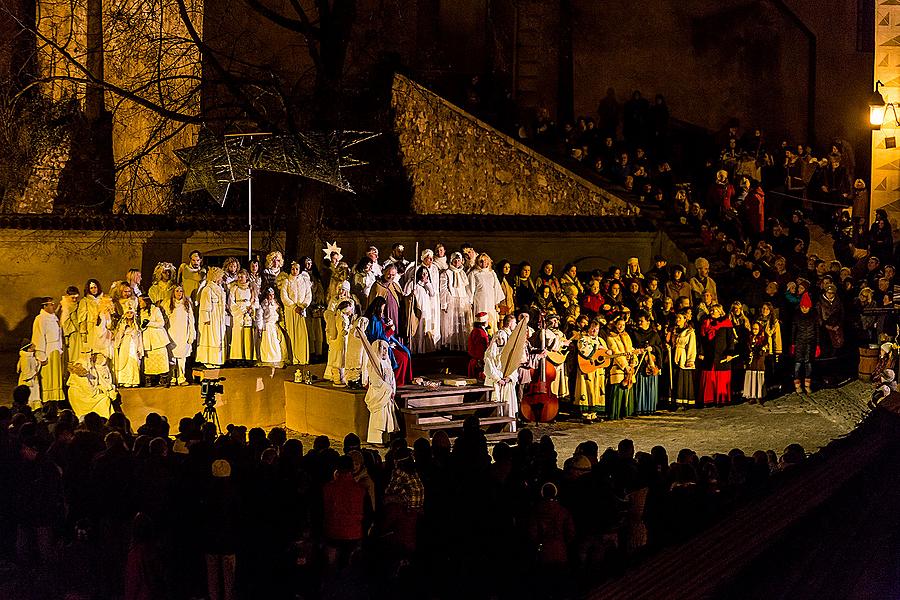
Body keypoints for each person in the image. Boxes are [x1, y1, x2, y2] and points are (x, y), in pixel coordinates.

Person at [365, 297, 413, 386]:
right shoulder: (373, 320)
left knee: (406, 353)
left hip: (387, 343)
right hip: (380, 347)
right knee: (401, 359)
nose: (383, 311)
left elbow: (382, 331)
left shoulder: (379, 318)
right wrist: (391, 330)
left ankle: (403, 380)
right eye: (382, 309)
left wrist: (388, 326)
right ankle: (396, 381)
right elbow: (378, 338)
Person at [483, 320, 519, 432]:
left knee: (509, 407)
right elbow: (489, 367)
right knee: (497, 408)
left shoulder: (508, 353)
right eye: (500, 339)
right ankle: (496, 430)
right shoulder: (491, 353)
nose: (502, 341)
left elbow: (513, 366)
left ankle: (509, 431)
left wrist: (510, 377)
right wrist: (498, 379)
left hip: (507, 383)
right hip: (496, 383)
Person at [699, 304, 734, 406]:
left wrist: (730, 353)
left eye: (715, 310)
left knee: (721, 377)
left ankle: (721, 399)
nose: (713, 312)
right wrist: (701, 352)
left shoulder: (726, 323)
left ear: (720, 312)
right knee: (709, 376)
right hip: (709, 354)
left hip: (722, 354)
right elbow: (702, 340)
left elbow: (730, 339)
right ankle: (708, 399)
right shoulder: (706, 323)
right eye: (711, 310)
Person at [32, 297, 65, 404]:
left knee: (56, 377)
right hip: (47, 350)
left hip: (56, 350)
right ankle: (48, 401)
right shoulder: (40, 319)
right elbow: (38, 336)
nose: (53, 306)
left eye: (53, 304)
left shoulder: (54, 317)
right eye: (50, 304)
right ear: (44, 306)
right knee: (48, 377)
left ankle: (56, 400)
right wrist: (41, 355)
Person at [364, 339, 398, 445]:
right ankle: (375, 439)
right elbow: (375, 380)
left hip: (388, 394)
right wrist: (387, 389)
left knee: (388, 417)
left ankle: (386, 438)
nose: (385, 351)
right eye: (382, 348)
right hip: (379, 393)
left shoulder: (387, 362)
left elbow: (392, 377)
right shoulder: (373, 364)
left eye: (386, 349)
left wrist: (393, 389)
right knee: (379, 416)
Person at [575, 319, 607, 421]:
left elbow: (604, 353)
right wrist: (597, 348)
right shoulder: (583, 339)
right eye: (593, 329)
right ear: (589, 329)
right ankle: (586, 415)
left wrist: (609, 352)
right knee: (587, 389)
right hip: (587, 368)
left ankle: (594, 413)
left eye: (597, 329)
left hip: (598, 369)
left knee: (597, 390)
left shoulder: (601, 340)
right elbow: (584, 350)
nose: (594, 331)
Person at [280, 261, 311, 366]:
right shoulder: (287, 281)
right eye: (293, 269)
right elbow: (284, 296)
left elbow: (308, 295)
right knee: (291, 333)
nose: (294, 271)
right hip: (291, 310)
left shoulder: (305, 281)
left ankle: (302, 358)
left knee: (301, 334)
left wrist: (303, 306)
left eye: (296, 269)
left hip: (301, 310)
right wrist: (294, 306)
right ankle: (293, 357)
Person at [606, 314, 637, 419]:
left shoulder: (626, 336)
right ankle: (615, 413)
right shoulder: (611, 337)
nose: (621, 327)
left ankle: (626, 412)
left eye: (623, 325)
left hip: (629, 365)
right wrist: (625, 366)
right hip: (618, 366)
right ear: (615, 325)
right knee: (618, 389)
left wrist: (634, 360)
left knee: (627, 388)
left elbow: (630, 349)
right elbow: (616, 352)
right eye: (619, 324)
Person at [632, 311, 662, 415]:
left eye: (642, 321)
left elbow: (660, 348)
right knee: (640, 388)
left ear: (648, 322)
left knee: (650, 387)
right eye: (639, 321)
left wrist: (653, 348)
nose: (639, 323)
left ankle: (650, 408)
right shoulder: (634, 333)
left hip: (651, 365)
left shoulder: (654, 335)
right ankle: (640, 408)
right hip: (640, 365)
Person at [442, 252, 473, 351]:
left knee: (462, 325)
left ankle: (462, 343)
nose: (456, 262)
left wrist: (468, 300)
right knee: (451, 324)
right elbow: (443, 289)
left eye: (458, 260)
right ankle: (452, 344)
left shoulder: (462, 273)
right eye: (455, 260)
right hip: (452, 301)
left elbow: (466, 288)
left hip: (463, 301)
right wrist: (447, 301)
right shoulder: (446, 273)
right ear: (451, 261)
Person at [196, 267, 227, 368]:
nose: (221, 279)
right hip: (212, 318)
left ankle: (217, 359)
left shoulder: (220, 289)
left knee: (218, 338)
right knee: (210, 338)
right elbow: (204, 306)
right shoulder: (207, 289)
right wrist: (206, 319)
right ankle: (208, 359)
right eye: (220, 277)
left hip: (219, 317)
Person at [138, 296, 171, 387]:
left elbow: (161, 323)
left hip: (157, 338)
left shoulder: (155, 310)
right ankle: (149, 379)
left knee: (161, 357)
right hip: (147, 338)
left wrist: (149, 323)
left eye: (141, 301)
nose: (139, 303)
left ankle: (163, 379)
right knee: (149, 360)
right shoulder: (139, 312)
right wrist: (143, 326)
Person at [166, 285, 195, 385]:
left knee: (182, 357)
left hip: (183, 334)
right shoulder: (168, 304)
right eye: (177, 291)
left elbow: (191, 320)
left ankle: (181, 377)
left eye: (181, 291)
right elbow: (165, 320)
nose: (179, 293)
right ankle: (173, 377)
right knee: (172, 356)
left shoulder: (186, 304)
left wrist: (191, 333)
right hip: (172, 333)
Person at [470, 253, 506, 333]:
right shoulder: (474, 273)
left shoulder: (492, 273)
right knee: (480, 319)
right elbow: (471, 289)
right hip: (479, 301)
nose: (483, 263)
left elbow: (496, 288)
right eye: (481, 261)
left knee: (491, 320)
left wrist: (496, 304)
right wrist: (470, 303)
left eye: (485, 261)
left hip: (490, 301)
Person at [792, 292, 818, 394]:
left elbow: (817, 331)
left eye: (806, 307)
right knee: (798, 364)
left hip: (810, 343)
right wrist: (793, 344)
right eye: (803, 307)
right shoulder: (796, 316)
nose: (804, 309)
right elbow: (793, 331)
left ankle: (807, 385)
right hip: (799, 342)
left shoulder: (814, 316)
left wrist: (817, 345)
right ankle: (797, 385)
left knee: (808, 364)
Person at [669, 310, 697, 408]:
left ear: (685, 319)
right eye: (677, 318)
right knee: (674, 377)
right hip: (673, 355)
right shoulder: (673, 330)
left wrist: (690, 360)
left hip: (683, 356)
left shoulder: (689, 332)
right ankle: (673, 400)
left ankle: (683, 401)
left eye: (680, 318)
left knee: (682, 378)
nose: (677, 320)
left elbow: (691, 346)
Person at [228, 270, 256, 364]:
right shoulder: (234, 288)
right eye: (238, 277)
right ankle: (238, 357)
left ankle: (249, 356)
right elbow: (231, 301)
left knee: (248, 334)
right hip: (238, 313)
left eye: (242, 277)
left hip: (248, 313)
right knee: (238, 333)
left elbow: (255, 301)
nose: (239, 279)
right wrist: (239, 311)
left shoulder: (250, 288)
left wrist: (251, 308)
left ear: (246, 277)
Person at [368, 264, 404, 338]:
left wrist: (410, 296)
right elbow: (373, 304)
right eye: (389, 274)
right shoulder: (377, 286)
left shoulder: (394, 285)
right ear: (384, 272)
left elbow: (402, 299)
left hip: (395, 316)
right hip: (383, 316)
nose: (391, 277)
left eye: (393, 275)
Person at [410, 265, 439, 353]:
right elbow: (406, 293)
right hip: (418, 309)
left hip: (426, 310)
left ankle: (424, 349)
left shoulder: (426, 284)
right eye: (422, 273)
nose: (424, 275)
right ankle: (417, 349)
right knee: (418, 329)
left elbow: (432, 293)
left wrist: (427, 283)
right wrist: (412, 294)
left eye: (426, 273)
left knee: (425, 329)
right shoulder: (414, 283)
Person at [114, 309, 143, 387]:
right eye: (127, 313)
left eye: (131, 313)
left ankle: (134, 381)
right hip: (125, 344)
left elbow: (139, 336)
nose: (129, 314)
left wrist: (140, 348)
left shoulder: (136, 324)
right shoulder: (122, 324)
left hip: (134, 344)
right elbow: (118, 335)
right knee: (125, 360)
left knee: (133, 360)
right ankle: (124, 380)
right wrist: (123, 330)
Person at [326, 300, 353, 386]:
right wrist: (350, 328)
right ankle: (338, 378)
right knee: (339, 359)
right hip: (341, 340)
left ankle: (340, 377)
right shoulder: (341, 318)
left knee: (341, 358)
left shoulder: (342, 317)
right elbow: (342, 331)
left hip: (343, 340)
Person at [258, 288, 285, 367]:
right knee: (268, 341)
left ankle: (276, 357)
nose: (271, 296)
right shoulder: (264, 304)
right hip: (267, 325)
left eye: (272, 295)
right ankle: (267, 357)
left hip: (274, 324)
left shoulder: (275, 303)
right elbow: (261, 315)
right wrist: (260, 326)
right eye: (269, 295)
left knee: (276, 341)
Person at [743, 322, 767, 404]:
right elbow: (746, 348)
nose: (754, 330)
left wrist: (761, 350)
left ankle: (760, 395)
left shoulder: (763, 338)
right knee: (751, 378)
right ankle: (751, 396)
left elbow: (766, 350)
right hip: (751, 362)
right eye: (753, 329)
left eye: (756, 329)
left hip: (759, 362)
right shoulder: (749, 337)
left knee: (758, 378)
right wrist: (748, 352)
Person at [58, 285, 83, 363]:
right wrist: (66, 336)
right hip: (70, 333)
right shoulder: (65, 306)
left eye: (76, 297)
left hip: (76, 332)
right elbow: (63, 322)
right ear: (68, 296)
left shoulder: (77, 305)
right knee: (72, 354)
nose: (75, 300)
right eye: (73, 298)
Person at [17, 341, 41, 409]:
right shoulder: (26, 358)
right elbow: (26, 370)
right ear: (28, 349)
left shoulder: (30, 356)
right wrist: (30, 376)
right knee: (30, 394)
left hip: (33, 378)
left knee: (34, 393)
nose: (34, 348)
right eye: (32, 347)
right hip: (29, 380)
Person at [467, 312, 490, 379]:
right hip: (478, 362)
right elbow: (480, 349)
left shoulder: (478, 331)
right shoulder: (479, 332)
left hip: (478, 360)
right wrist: (482, 360)